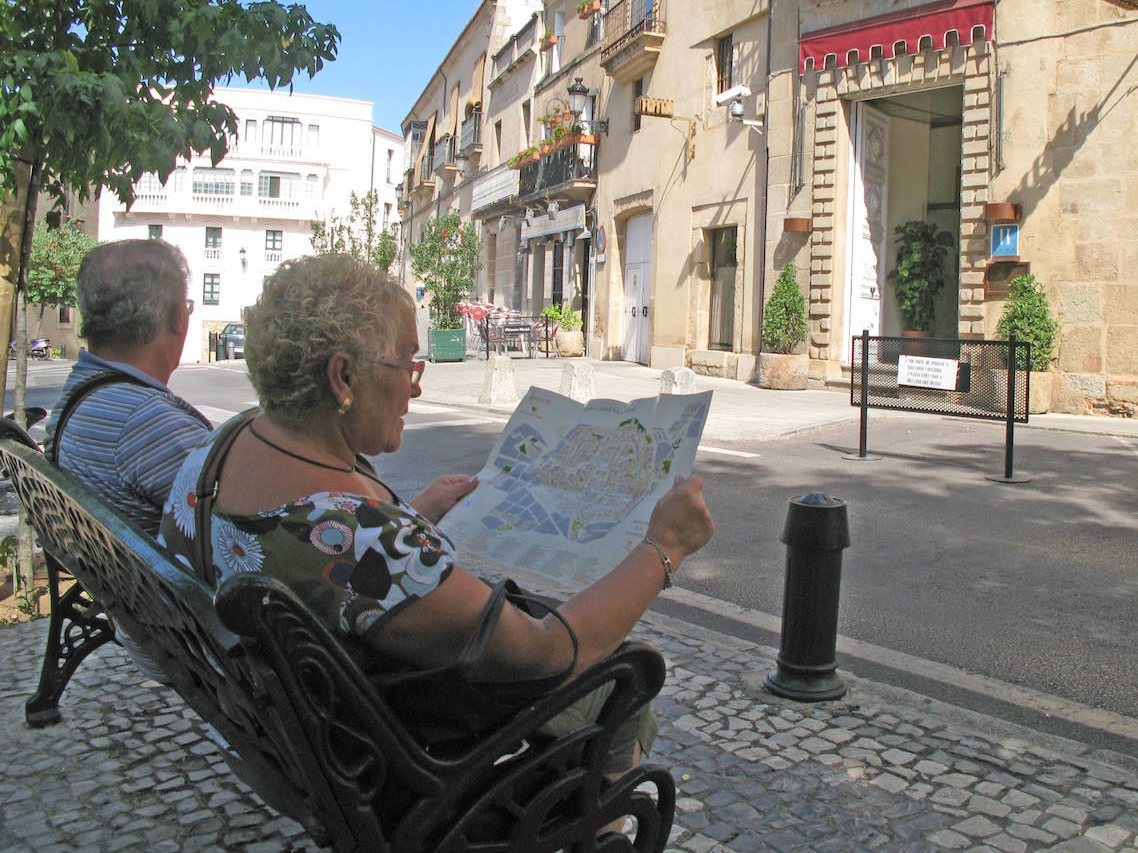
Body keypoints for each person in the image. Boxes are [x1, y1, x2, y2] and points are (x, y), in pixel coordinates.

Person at [157, 253, 714, 772]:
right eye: (407, 365)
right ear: (344, 376)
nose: (415, 389)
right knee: (622, 682)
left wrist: (416, 514)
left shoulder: (217, 449)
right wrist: (663, 547)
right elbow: (544, 653)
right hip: (397, 770)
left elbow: (344, 558)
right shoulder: (368, 540)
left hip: (301, 738)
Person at [47, 238, 212, 679]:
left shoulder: (80, 395)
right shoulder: (144, 422)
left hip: (146, 619)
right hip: (202, 646)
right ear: (179, 317)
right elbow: (266, 531)